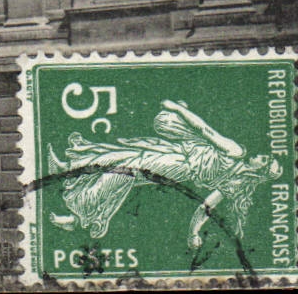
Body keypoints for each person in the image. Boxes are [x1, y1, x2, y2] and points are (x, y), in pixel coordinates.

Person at [49, 98, 282, 248]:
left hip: (179, 163)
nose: (259, 155)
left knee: (126, 167)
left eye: (264, 159)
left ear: (259, 170)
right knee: (124, 158)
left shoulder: (236, 153)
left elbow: (206, 130)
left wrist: (178, 108)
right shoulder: (235, 179)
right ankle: (71, 178)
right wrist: (193, 233)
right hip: (178, 154)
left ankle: (77, 209)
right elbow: (206, 207)